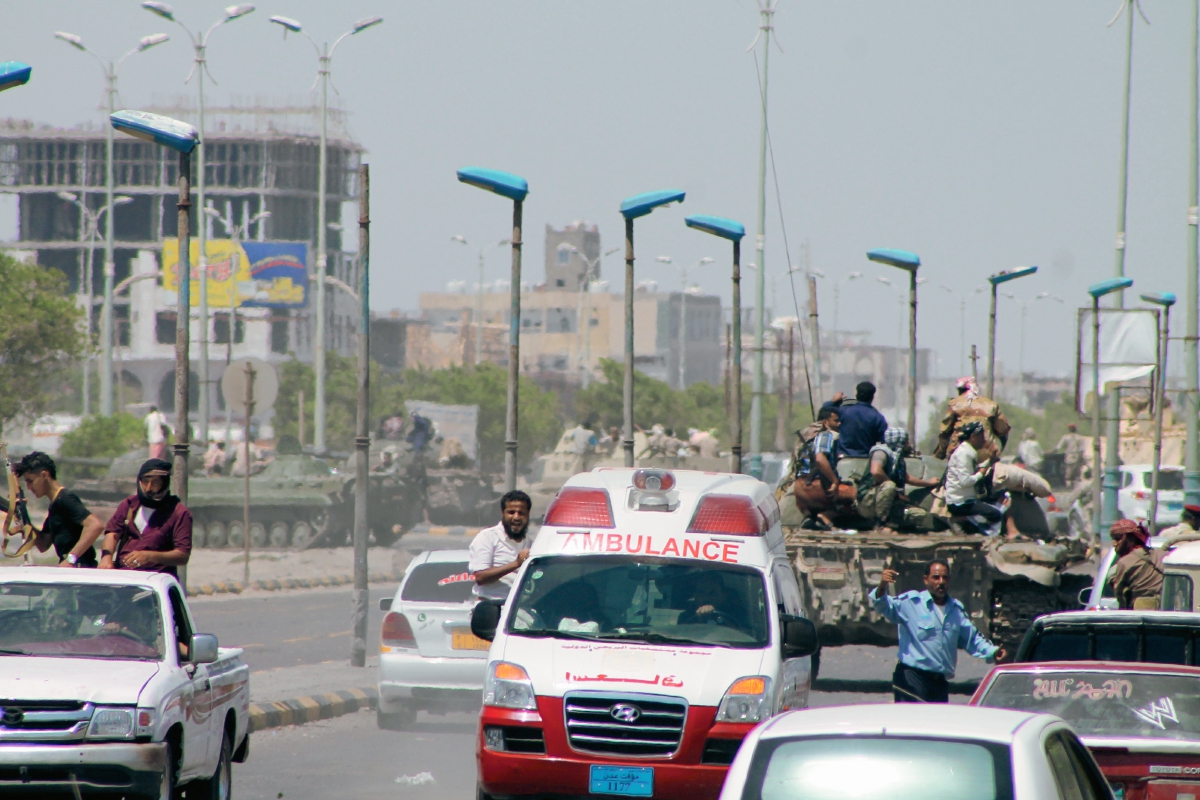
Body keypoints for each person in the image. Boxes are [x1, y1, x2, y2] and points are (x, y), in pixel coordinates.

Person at [870, 560, 1005, 703]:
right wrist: (882, 586)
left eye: (945, 578)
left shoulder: (955, 610)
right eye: (935, 577)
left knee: (936, 723)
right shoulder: (912, 603)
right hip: (912, 678)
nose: (941, 582)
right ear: (925, 579)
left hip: (939, 681)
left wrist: (993, 651)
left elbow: (972, 639)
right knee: (914, 722)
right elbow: (883, 606)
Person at [99, 458, 192, 578]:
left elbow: (182, 555)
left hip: (157, 579)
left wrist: (150, 556)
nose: (149, 488)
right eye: (145, 481)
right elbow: (112, 533)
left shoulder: (179, 513)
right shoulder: (129, 505)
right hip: (123, 576)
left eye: (155, 483)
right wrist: (106, 557)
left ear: (164, 483)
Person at [13, 452, 103, 567]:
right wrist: (24, 518)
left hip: (81, 569)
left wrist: (71, 559)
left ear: (44, 475)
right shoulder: (55, 505)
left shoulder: (65, 499)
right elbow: (43, 544)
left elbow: (95, 525)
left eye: (30, 481)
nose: (29, 488)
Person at [858, 428, 940, 531]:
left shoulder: (897, 459)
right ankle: (881, 524)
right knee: (889, 486)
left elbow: (907, 478)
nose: (908, 444)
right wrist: (896, 491)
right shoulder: (881, 452)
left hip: (890, 504)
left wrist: (929, 483)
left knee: (920, 514)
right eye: (906, 441)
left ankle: (891, 524)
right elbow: (876, 471)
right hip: (869, 502)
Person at [793, 406, 855, 528]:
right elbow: (820, 459)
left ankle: (811, 517)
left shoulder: (808, 438)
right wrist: (834, 481)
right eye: (836, 421)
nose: (839, 423)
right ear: (826, 423)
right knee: (856, 495)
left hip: (799, 487)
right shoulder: (826, 435)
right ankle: (826, 516)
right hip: (814, 485)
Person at [469, 490, 532, 600]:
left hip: (518, 609)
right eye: (511, 512)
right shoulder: (488, 537)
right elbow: (480, 577)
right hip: (492, 606)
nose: (516, 517)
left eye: (521, 513)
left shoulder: (530, 543)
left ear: (528, 515)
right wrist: (516, 563)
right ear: (502, 513)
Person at [944, 422, 1004, 531]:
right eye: (981, 436)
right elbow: (965, 481)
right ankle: (965, 521)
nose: (984, 439)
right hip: (960, 503)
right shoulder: (964, 454)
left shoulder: (968, 451)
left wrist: (989, 462)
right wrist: (981, 473)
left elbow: (973, 470)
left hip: (968, 499)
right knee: (996, 515)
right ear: (973, 437)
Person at [933, 377, 1011, 461]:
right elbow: (1003, 430)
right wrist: (998, 451)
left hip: (959, 453)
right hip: (985, 454)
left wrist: (940, 454)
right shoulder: (991, 405)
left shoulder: (955, 404)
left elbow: (944, 432)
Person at [820, 382, 887, 458]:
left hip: (844, 458)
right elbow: (884, 442)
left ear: (856, 395)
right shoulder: (878, 417)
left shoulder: (845, 411)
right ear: (872, 397)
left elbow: (825, 410)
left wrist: (834, 400)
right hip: (866, 460)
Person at [1110, 519, 1164, 610]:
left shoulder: (1125, 562)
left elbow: (1120, 594)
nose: (1114, 544)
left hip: (1144, 611)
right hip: (1168, 609)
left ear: (1127, 538)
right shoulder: (1162, 554)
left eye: (1117, 538)